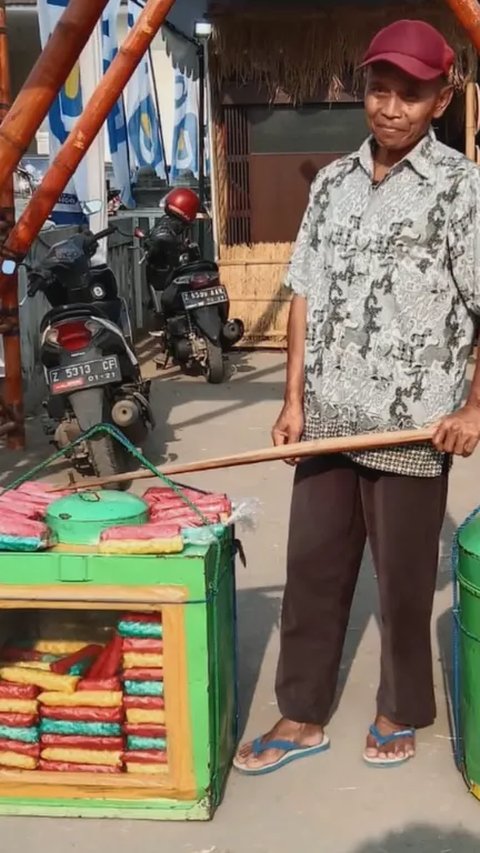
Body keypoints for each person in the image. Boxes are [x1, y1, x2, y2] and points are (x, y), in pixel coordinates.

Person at [234, 19, 480, 775]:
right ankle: (302, 712)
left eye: (412, 93)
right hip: (330, 418)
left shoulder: (462, 189)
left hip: (414, 426)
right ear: (363, 91)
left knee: (404, 582)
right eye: (381, 89)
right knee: (311, 568)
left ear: (442, 98)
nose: (393, 107)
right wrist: (292, 397)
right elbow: (303, 289)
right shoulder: (335, 182)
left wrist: (473, 408)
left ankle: (398, 708)